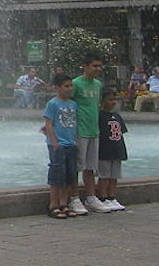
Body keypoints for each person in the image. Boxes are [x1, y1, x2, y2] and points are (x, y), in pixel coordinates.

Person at [71, 54, 112, 213]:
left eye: (100, 66)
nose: (98, 69)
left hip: (94, 130)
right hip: (79, 130)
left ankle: (91, 197)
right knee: (77, 166)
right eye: (95, 66)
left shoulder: (98, 84)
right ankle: (74, 198)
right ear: (85, 66)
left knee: (90, 167)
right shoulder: (75, 83)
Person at [42, 73, 80, 218]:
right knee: (57, 175)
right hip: (58, 145)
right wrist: (54, 143)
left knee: (69, 175)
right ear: (57, 88)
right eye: (66, 86)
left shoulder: (73, 104)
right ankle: (53, 204)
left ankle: (64, 203)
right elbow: (48, 124)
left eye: (70, 85)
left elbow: (74, 123)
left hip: (71, 143)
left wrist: (75, 140)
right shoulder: (53, 103)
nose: (69, 88)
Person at [95, 90, 129, 211]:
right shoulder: (99, 116)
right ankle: (102, 197)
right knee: (104, 175)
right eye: (110, 99)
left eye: (115, 99)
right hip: (104, 150)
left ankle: (112, 197)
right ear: (102, 101)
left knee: (114, 175)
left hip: (117, 149)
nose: (113, 102)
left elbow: (121, 133)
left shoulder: (117, 116)